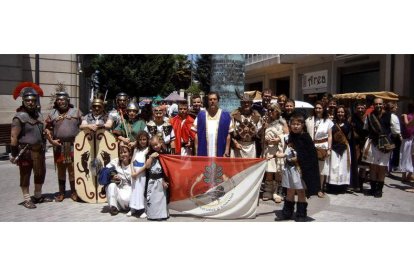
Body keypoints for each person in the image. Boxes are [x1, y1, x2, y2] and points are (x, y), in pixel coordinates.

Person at [10, 87, 52, 209]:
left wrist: (46, 132)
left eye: (33, 100)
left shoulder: (38, 115)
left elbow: (42, 130)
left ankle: (38, 196)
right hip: (25, 151)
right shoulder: (19, 117)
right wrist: (13, 154)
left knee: (40, 173)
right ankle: (27, 199)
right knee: (25, 175)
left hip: (39, 150)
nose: (30, 102)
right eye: (28, 100)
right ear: (23, 101)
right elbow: (13, 136)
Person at [275, 113, 320, 222]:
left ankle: (301, 213)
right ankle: (287, 212)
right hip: (289, 168)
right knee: (289, 190)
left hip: (300, 169)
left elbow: (310, 154)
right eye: (293, 124)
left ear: (302, 125)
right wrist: (283, 155)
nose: (295, 126)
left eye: (298, 124)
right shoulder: (290, 136)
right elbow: (288, 150)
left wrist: (298, 158)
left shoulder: (305, 137)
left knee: (300, 191)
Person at [45, 91, 82, 202]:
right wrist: (51, 140)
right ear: (56, 101)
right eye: (59, 100)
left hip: (73, 145)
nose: (61, 102)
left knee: (72, 170)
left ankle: (73, 192)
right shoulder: (52, 114)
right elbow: (47, 129)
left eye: (63, 99)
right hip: (59, 146)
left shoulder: (76, 112)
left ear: (68, 101)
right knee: (61, 170)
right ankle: (61, 192)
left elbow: (83, 125)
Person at [362, 97, 400, 198]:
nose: (378, 106)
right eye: (376, 104)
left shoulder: (391, 116)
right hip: (373, 144)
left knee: (382, 167)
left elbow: (396, 132)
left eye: (380, 104)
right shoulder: (369, 116)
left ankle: (379, 190)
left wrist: (388, 141)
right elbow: (366, 128)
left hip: (385, 145)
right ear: (373, 105)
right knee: (373, 166)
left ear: (383, 105)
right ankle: (373, 188)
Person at [305, 100, 333, 198]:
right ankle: (311, 188)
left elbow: (329, 136)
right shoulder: (309, 119)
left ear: (323, 109)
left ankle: (320, 189)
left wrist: (329, 149)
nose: (318, 110)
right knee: (311, 169)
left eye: (320, 108)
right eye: (316, 108)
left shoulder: (328, 121)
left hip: (322, 147)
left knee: (321, 170)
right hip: (311, 147)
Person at [260, 103, 288, 203]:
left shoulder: (282, 122)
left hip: (278, 150)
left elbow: (287, 136)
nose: (270, 112)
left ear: (277, 111)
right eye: (269, 110)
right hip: (268, 150)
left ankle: (277, 192)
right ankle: (268, 191)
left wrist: (279, 139)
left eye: (272, 110)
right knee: (269, 171)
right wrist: (263, 129)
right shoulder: (266, 122)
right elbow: (261, 136)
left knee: (277, 172)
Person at [192, 91, 232, 157]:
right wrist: (196, 151)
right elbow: (196, 134)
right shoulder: (201, 115)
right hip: (203, 150)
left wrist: (227, 149)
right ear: (208, 101)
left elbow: (228, 134)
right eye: (210, 99)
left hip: (220, 150)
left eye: (214, 99)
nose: (212, 101)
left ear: (218, 100)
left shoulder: (225, 115)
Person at [327, 105, 351, 194]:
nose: (340, 113)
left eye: (342, 112)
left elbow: (350, 137)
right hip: (334, 148)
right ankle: (332, 186)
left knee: (343, 167)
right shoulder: (332, 123)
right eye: (338, 112)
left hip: (344, 148)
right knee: (334, 167)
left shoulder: (348, 124)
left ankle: (342, 186)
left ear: (345, 113)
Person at [146, 135, 169, 221]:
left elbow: (165, 169)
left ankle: (162, 215)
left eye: (157, 144)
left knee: (161, 198)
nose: (155, 147)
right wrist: (151, 157)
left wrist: (164, 180)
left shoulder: (164, 155)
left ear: (161, 143)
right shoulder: (149, 155)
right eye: (153, 145)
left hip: (160, 180)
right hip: (152, 180)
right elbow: (147, 166)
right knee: (152, 198)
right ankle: (152, 215)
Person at [105, 145, 133, 216]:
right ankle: (114, 207)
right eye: (121, 153)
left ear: (129, 153)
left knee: (126, 199)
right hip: (119, 188)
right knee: (111, 186)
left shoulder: (133, 163)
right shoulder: (116, 161)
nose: (123, 154)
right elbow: (105, 169)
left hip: (130, 189)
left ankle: (130, 207)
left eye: (125, 152)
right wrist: (113, 175)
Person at [128, 131, 150, 217]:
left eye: (144, 139)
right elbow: (132, 161)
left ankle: (142, 209)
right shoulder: (136, 149)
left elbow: (146, 165)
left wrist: (137, 173)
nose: (142, 141)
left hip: (142, 174)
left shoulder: (148, 150)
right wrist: (133, 172)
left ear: (147, 140)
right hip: (134, 173)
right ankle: (133, 207)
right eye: (140, 139)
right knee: (134, 190)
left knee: (141, 191)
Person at [349, 101, 369, 192]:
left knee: (363, 165)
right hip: (355, 143)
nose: (360, 110)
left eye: (362, 108)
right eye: (358, 108)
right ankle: (354, 183)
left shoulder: (368, 118)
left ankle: (360, 184)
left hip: (365, 143)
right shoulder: (352, 118)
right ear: (356, 109)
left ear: (365, 109)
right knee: (355, 163)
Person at [400, 103, 414, 184]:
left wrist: (405, 117)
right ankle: (408, 175)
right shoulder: (409, 116)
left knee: (405, 156)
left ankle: (405, 175)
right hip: (409, 138)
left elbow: (407, 126)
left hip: (408, 138)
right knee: (408, 157)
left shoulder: (407, 116)